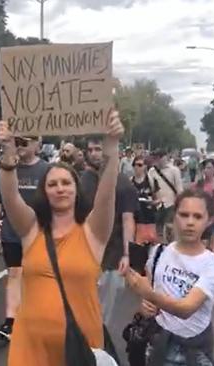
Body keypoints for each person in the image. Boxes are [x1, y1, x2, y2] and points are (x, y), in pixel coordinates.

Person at [0, 111, 123, 366]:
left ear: (77, 190)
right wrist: (8, 152)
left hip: (81, 349)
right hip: (30, 348)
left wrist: (112, 145)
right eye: (52, 184)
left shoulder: (92, 233)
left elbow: (107, 194)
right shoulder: (31, 229)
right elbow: (10, 197)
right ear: (44, 191)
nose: (60, 188)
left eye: (66, 182)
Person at [126, 189, 214, 366]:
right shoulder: (159, 252)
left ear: (208, 220)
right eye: (184, 215)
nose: (190, 222)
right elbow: (150, 289)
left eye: (197, 216)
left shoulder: (212, 264)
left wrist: (148, 294)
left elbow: (186, 309)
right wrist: (145, 305)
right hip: (160, 345)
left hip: (195, 351)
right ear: (175, 217)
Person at [0, 135, 48, 342]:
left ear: (38, 146)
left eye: (27, 142)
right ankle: (10, 322)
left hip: (39, 235)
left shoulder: (47, 171)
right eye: (18, 141)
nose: (21, 145)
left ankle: (36, 317)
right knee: (14, 273)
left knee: (36, 276)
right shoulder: (6, 169)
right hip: (12, 234)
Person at [81, 136, 138, 326]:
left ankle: (97, 350)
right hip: (83, 254)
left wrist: (127, 254)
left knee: (101, 315)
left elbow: (128, 219)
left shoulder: (123, 184)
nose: (94, 154)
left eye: (98, 149)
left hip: (111, 257)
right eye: (90, 150)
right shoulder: (80, 181)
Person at [148, 149, 183, 243]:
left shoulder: (174, 170)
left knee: (170, 228)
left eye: (160, 157)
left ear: (165, 157)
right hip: (158, 204)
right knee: (158, 229)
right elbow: (150, 188)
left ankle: (170, 246)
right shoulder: (152, 171)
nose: (158, 160)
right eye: (156, 158)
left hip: (171, 203)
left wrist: (179, 203)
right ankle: (160, 247)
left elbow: (179, 188)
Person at [131, 156, 160, 245]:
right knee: (137, 246)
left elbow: (158, 199)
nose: (138, 168)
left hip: (149, 219)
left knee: (151, 244)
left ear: (145, 167)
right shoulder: (130, 182)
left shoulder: (151, 181)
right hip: (135, 220)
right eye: (135, 165)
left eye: (140, 165)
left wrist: (152, 202)